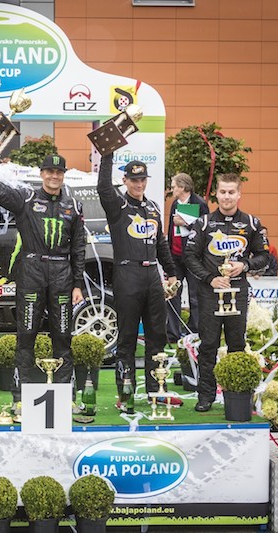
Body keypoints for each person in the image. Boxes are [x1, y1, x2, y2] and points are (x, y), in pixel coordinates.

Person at [0, 154, 85, 409]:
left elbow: (79, 248)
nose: (54, 176)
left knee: (62, 335)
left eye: (59, 172)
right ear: (41, 174)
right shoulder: (26, 198)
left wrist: (77, 284)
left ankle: (67, 397)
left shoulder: (73, 205)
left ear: (63, 175)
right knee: (26, 334)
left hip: (61, 272)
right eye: (50, 171)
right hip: (32, 271)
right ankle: (20, 397)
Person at [184, 173, 269, 412]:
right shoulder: (203, 223)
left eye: (231, 192)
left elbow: (264, 256)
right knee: (208, 345)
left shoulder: (252, 223)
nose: (227, 197)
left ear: (239, 194)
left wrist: (245, 265)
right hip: (210, 293)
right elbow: (189, 256)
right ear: (216, 194)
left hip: (238, 292)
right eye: (223, 192)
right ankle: (206, 396)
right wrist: (210, 278)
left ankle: (237, 395)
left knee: (237, 345)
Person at [97, 155, 177, 400]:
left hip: (152, 274)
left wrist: (171, 272)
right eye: (134, 180)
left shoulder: (153, 207)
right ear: (125, 181)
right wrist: (107, 156)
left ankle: (156, 389)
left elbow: (161, 243)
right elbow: (103, 188)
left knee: (157, 335)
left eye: (142, 179)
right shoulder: (118, 205)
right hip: (127, 273)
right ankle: (126, 392)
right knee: (128, 337)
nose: (139, 184)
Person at [166, 172, 209, 343]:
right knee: (173, 293)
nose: (172, 189)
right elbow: (171, 229)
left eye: (174, 186)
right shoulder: (175, 204)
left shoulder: (200, 203)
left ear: (183, 187)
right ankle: (172, 333)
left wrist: (186, 223)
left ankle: (194, 331)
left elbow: (205, 229)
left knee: (194, 295)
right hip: (175, 255)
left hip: (193, 256)